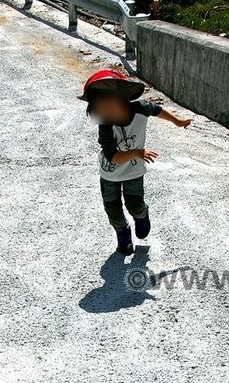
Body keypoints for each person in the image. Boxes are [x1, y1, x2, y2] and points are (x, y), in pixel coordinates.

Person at [79, 70, 192, 256]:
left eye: (110, 105)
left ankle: (141, 215)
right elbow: (113, 157)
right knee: (112, 207)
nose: (106, 111)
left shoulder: (140, 108)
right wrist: (138, 152)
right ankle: (123, 234)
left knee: (134, 203)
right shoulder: (105, 126)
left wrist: (177, 121)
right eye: (100, 108)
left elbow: (156, 109)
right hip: (110, 173)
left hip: (134, 171)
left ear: (123, 98)